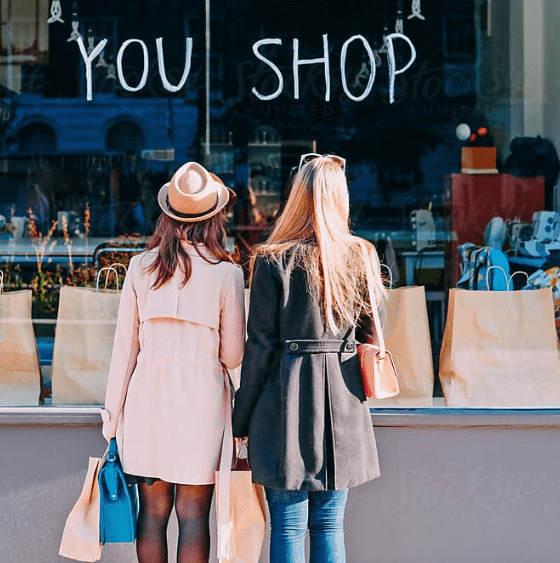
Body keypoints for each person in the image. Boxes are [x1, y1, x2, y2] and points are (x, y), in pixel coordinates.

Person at [232, 153, 386, 563]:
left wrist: (240, 417)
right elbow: (371, 337)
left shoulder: (271, 259)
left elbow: (259, 347)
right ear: (341, 198)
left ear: (297, 196)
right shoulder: (361, 256)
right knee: (330, 524)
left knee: (286, 524)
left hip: (284, 404)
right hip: (343, 403)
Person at [103, 161, 246, 563]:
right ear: (214, 218)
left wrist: (112, 420)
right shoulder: (226, 275)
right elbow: (234, 355)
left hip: (146, 404)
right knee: (194, 515)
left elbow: (124, 350)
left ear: (167, 216)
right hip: (200, 408)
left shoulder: (139, 268)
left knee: (152, 514)